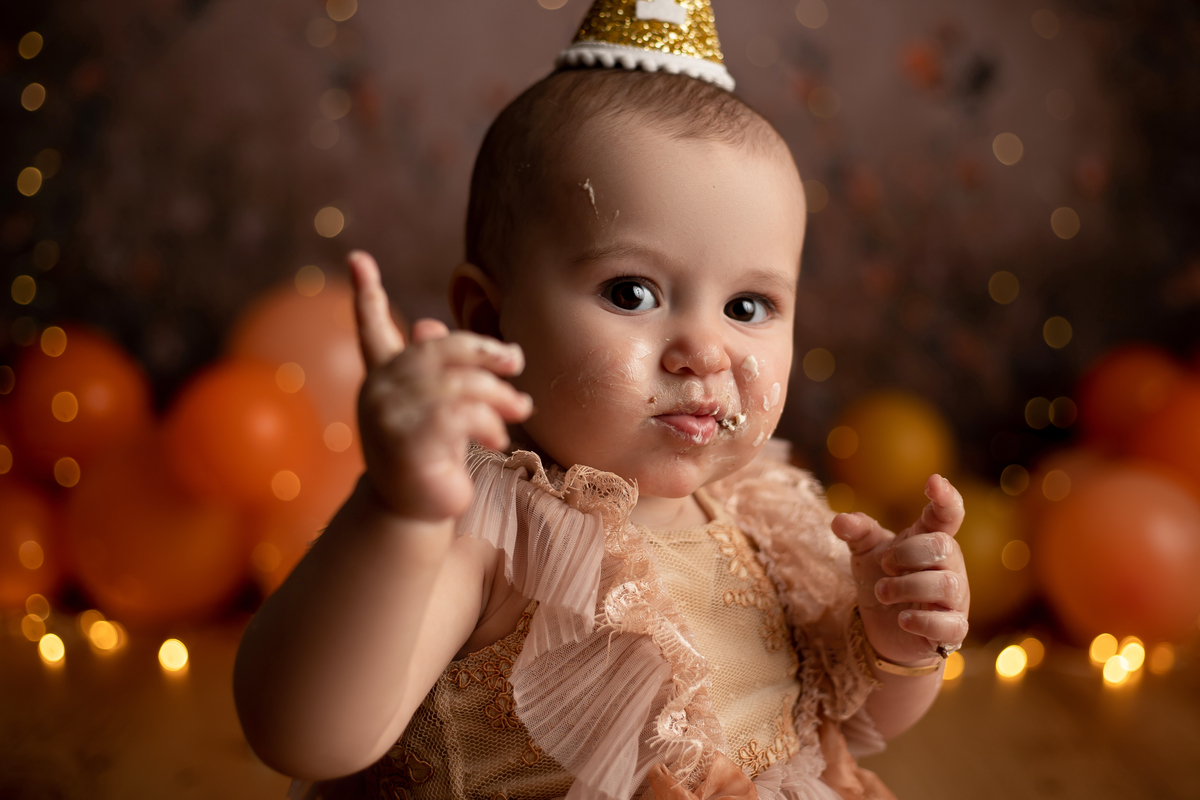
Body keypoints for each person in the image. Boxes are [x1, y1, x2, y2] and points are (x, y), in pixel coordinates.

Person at [234, 2, 970, 798]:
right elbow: (306, 735)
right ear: (489, 318)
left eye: (748, 307)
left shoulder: (760, 517)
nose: (706, 350)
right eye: (632, 291)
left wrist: (895, 645)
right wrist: (398, 513)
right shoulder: (494, 528)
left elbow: (845, 724)